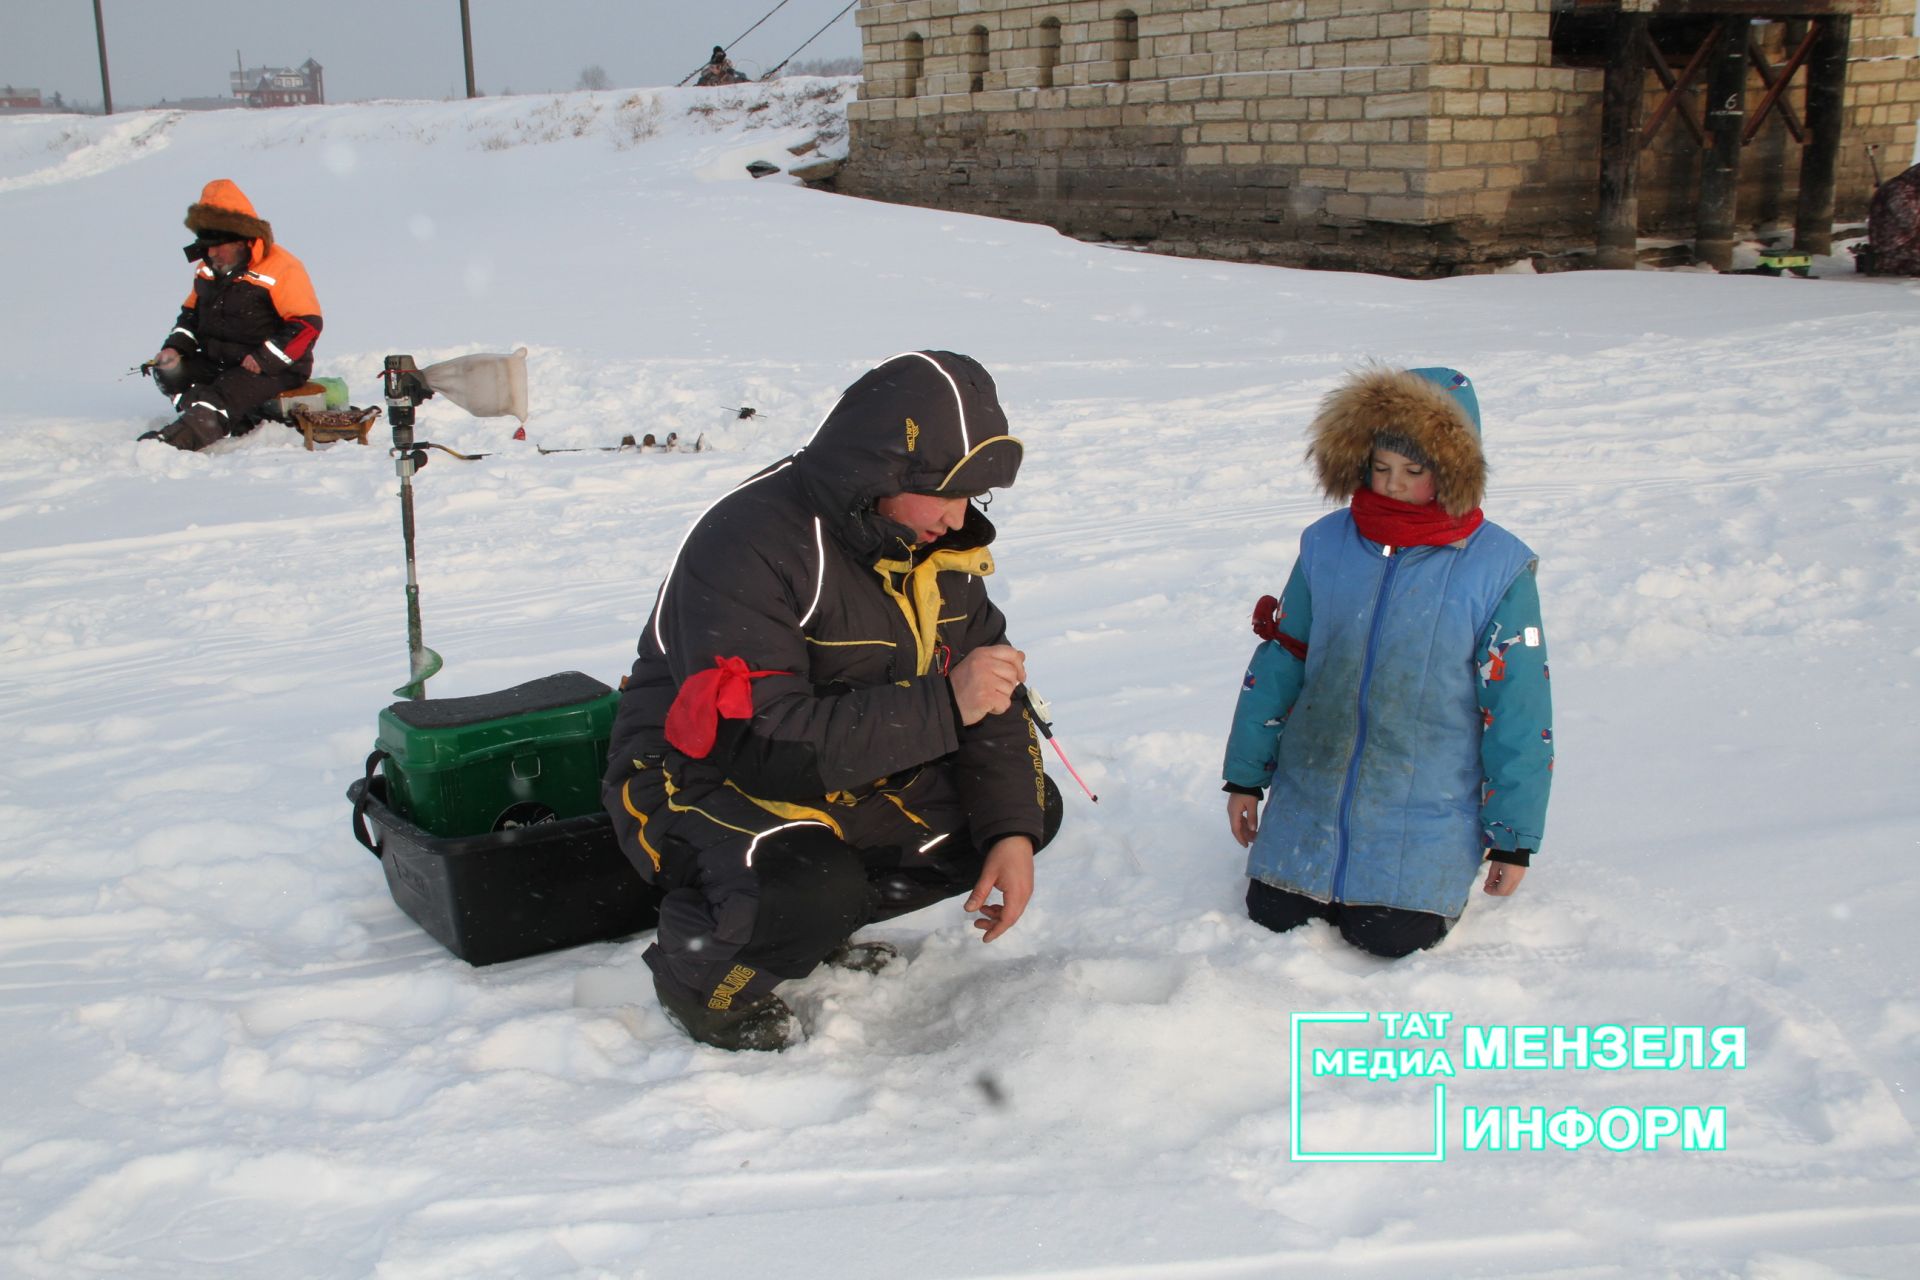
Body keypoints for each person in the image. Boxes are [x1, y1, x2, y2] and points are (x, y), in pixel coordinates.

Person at [603, 351, 1061, 1051]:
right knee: (809, 887)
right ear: (877, 471)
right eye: (941, 491)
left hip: (840, 771)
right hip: (692, 773)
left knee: (1017, 810)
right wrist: (945, 705)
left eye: (972, 496)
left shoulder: (929, 545)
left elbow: (992, 698)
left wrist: (1011, 831)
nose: (954, 518)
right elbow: (764, 746)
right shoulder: (750, 542)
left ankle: (804, 932)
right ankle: (703, 979)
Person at [1221, 366, 1553, 959]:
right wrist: (1246, 777)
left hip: (1423, 811)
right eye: (1380, 468)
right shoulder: (1326, 544)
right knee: (1272, 918)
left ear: (1452, 470)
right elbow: (1281, 661)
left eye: (1414, 471)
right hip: (1311, 800)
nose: (1393, 485)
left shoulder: (1498, 568)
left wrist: (1512, 839)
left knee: (1391, 938)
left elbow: (1519, 709)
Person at [141, 179, 322, 451]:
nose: (211, 253)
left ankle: (174, 442)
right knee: (169, 372)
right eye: (206, 245)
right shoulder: (207, 268)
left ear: (241, 239)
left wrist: (264, 358)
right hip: (221, 360)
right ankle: (223, 417)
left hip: (273, 368)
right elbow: (190, 316)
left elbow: (307, 326)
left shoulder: (282, 268)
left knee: (222, 393)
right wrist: (174, 349)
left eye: (218, 245)